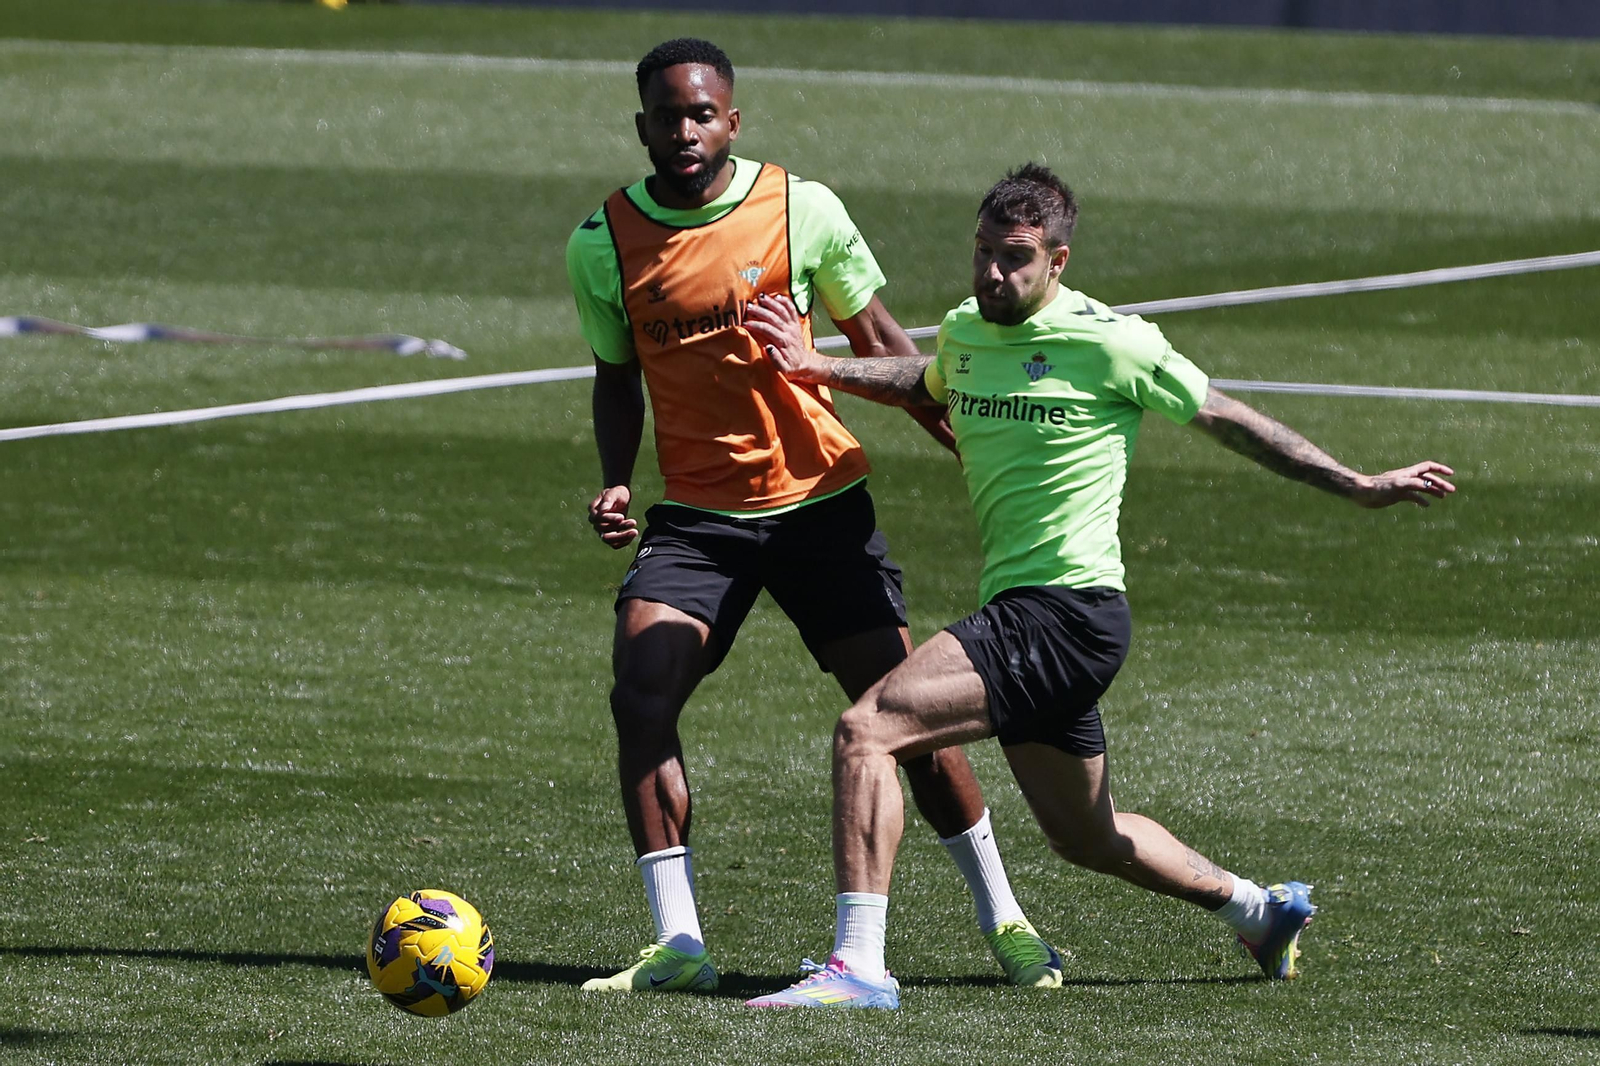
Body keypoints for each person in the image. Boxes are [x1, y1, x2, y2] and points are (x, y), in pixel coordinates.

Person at [741, 162, 1457, 1009]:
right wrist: (818, 366)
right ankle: (1262, 912)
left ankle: (858, 967)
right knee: (1089, 837)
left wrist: (1357, 482)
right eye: (982, 254)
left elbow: (1229, 420)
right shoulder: (971, 330)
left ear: (1059, 260)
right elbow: (929, 379)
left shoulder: (1115, 342)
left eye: (1014, 259)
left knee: (868, 733)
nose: (992, 275)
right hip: (1040, 618)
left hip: (1065, 613)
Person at [565, 39, 1061, 994]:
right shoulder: (602, 242)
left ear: (733, 121)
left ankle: (1005, 918)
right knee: (641, 693)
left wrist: (961, 433)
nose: (685, 131)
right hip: (699, 521)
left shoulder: (802, 208)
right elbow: (616, 374)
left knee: (903, 718)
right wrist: (617, 477)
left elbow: (879, 342)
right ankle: (679, 943)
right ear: (643, 128)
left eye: (702, 114)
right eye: (667, 117)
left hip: (821, 508)